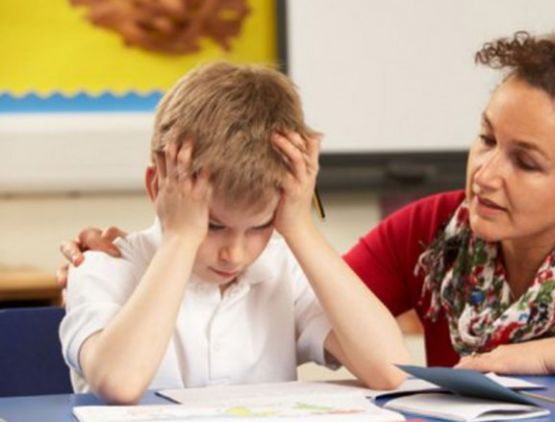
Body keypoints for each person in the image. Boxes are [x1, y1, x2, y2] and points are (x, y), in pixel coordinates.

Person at [59, 31, 555, 388]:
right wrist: (175, 244)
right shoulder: (433, 230)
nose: (485, 173)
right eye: (485, 139)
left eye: (525, 161)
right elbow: (329, 305)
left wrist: (530, 358)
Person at [58, 62, 408, 404]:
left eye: (259, 226)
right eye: (212, 226)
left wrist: (300, 228)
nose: (234, 254)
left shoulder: (283, 270)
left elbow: (392, 372)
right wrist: (182, 238)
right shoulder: (103, 266)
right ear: (158, 187)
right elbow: (120, 383)